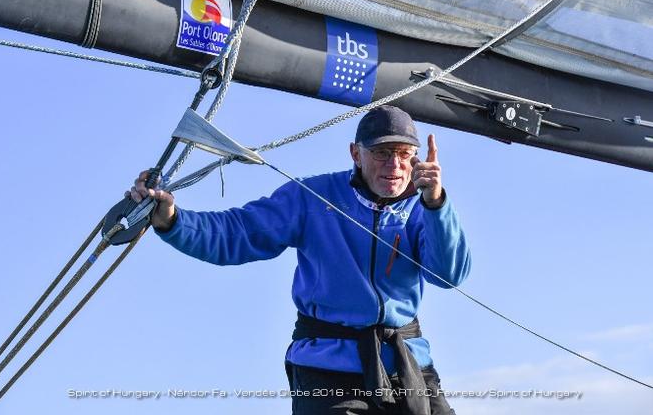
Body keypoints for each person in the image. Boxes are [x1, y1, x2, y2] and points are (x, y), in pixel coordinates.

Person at [129, 105, 471, 414]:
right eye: (382, 153)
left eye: (404, 154)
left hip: (407, 365)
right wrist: (173, 221)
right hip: (328, 368)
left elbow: (448, 275)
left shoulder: (424, 205)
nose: (395, 165)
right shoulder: (311, 197)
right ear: (356, 153)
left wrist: (436, 203)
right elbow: (239, 233)